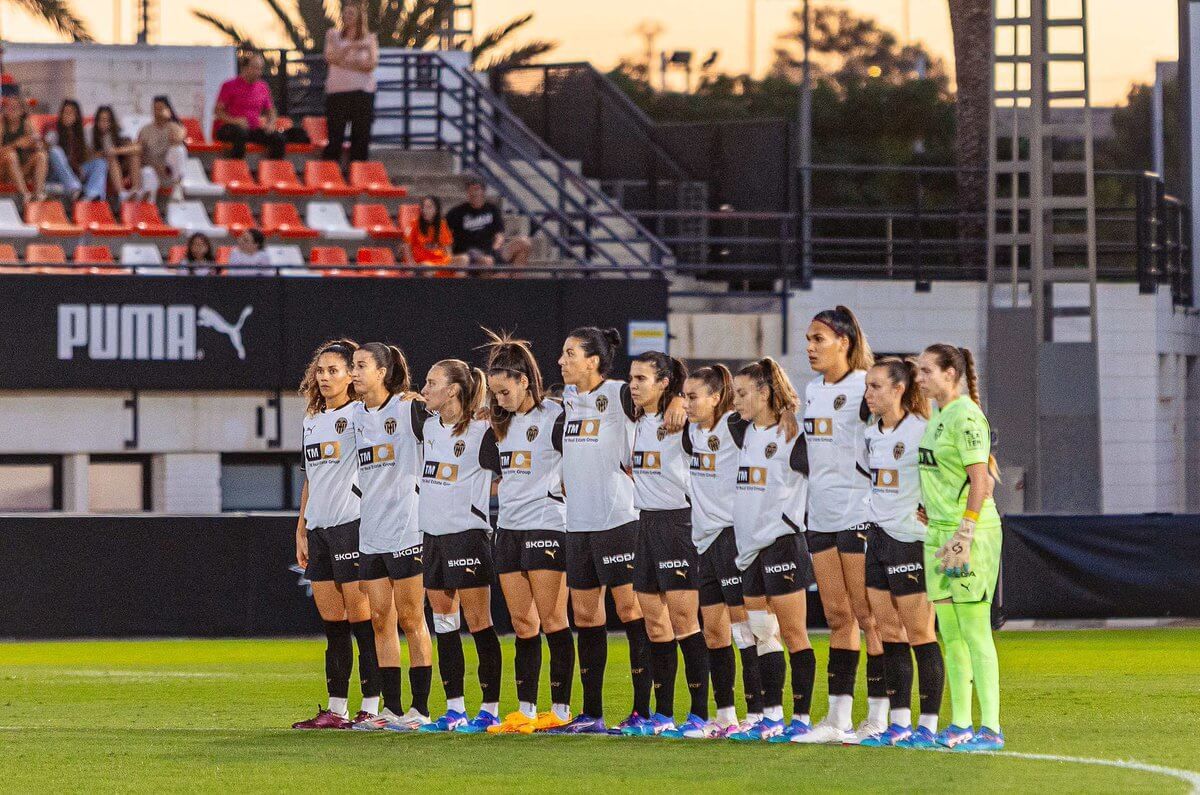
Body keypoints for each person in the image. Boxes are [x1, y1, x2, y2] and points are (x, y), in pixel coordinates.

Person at [547, 327, 684, 735]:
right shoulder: (570, 399)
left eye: (570, 353)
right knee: (586, 616)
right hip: (579, 524)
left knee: (631, 612)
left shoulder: (623, 392)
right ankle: (591, 713)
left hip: (620, 521)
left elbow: (665, 389)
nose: (561, 360)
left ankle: (644, 711)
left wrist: (677, 398)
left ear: (593, 361)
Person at [795, 305, 887, 745]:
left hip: (858, 513)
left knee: (870, 616)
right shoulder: (812, 390)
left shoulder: (864, 388)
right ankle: (837, 719)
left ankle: (882, 715)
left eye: (818, 339)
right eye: (809, 339)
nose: (810, 347)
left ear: (844, 343)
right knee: (837, 616)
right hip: (822, 516)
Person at [479, 330, 575, 735]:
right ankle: (526, 709)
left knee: (553, 618)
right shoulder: (499, 426)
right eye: (494, 393)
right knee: (522, 623)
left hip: (548, 525)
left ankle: (562, 710)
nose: (499, 400)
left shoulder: (556, 416)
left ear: (523, 381)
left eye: (504, 391)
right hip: (510, 529)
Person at [914, 344, 1005, 752]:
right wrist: (930, 510)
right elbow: (948, 475)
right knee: (949, 633)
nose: (919, 378)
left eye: (926, 371)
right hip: (940, 533)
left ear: (950, 373)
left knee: (975, 630)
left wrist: (964, 535)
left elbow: (981, 480)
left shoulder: (966, 415)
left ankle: (991, 728)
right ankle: (961, 724)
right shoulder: (939, 416)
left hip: (968, 536)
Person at [722, 358, 816, 743]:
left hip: (782, 544)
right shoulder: (742, 430)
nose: (737, 401)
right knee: (762, 632)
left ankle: (803, 717)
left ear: (764, 392)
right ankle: (772, 716)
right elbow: (723, 417)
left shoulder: (793, 436)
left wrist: (791, 414)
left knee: (794, 633)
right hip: (749, 549)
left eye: (744, 394)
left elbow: (823, 473)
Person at [292, 339, 382, 730]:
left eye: (334, 370)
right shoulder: (311, 420)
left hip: (352, 526)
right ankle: (336, 709)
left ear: (351, 375)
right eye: (321, 370)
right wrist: (301, 528)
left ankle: (373, 707)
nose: (325, 377)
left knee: (363, 621)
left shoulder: (361, 416)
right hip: (319, 528)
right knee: (333, 624)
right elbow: (310, 479)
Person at [857, 357, 946, 748]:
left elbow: (947, 477)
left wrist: (937, 513)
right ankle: (899, 723)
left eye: (876, 386)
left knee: (920, 633)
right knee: (888, 632)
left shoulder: (922, 432)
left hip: (909, 540)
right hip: (876, 540)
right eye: (867, 386)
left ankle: (927, 724)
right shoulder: (871, 433)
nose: (868, 394)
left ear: (898, 389)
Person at [623, 352, 711, 738]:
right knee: (655, 624)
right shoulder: (637, 421)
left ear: (664, 383)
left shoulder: (683, 419)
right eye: (631, 378)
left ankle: (699, 714)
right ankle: (661, 714)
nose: (633, 384)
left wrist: (681, 402)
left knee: (683, 622)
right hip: (645, 524)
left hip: (678, 523)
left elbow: (715, 415)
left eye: (642, 378)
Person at [347, 343, 435, 732]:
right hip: (372, 533)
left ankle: (420, 709)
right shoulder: (354, 417)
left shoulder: (407, 409)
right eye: (353, 366)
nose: (354, 373)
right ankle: (393, 709)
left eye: (361, 366)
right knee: (381, 619)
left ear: (383, 372)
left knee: (413, 618)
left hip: (406, 529)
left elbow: (449, 428)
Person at [415, 359, 505, 734]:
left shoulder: (484, 428)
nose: (425, 388)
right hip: (432, 536)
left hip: (468, 533)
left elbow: (510, 472)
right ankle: (454, 709)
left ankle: (490, 709)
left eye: (432, 382)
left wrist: (478, 494)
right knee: (444, 623)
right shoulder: (429, 426)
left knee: (480, 623)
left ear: (453, 389)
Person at [681, 365, 764, 738]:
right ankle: (726, 714)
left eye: (693, 396)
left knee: (747, 630)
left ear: (716, 397)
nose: (686, 403)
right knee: (715, 634)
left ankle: (761, 715)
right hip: (705, 541)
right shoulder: (689, 430)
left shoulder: (734, 427)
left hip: (733, 538)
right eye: (683, 396)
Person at [322, 0, 378, 164]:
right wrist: (352, 48)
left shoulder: (369, 39)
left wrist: (345, 62)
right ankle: (330, 173)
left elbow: (370, 65)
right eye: (345, 13)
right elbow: (330, 57)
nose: (347, 17)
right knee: (335, 135)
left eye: (351, 13)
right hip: (337, 93)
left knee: (360, 136)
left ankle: (358, 172)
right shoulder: (333, 34)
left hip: (362, 93)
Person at [445, 176, 532, 269]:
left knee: (524, 243)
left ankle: (516, 281)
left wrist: (495, 249)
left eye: (477, 189)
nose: (474, 193)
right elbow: (444, 236)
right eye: (470, 190)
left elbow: (499, 234)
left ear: (483, 191)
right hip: (469, 254)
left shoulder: (492, 209)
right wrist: (449, 256)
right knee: (487, 262)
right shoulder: (456, 212)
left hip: (491, 251)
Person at [213, 52, 286, 160]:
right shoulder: (229, 85)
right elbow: (218, 111)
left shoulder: (263, 87)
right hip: (230, 128)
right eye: (255, 68)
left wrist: (270, 124)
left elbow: (271, 110)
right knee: (240, 134)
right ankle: (236, 168)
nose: (258, 72)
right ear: (244, 68)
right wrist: (235, 121)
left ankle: (273, 170)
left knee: (278, 138)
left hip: (251, 129)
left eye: (260, 69)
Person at [44, 99, 107, 203]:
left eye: (71, 113)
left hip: (75, 172)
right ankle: (74, 188)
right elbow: (47, 149)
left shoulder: (80, 133)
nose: (67, 115)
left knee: (100, 163)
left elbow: (85, 156)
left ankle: (92, 195)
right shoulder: (53, 129)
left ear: (77, 116)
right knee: (56, 151)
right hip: (56, 175)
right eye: (65, 112)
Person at [137, 96, 188, 202]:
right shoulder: (145, 130)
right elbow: (140, 152)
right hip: (152, 167)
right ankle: (150, 206)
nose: (158, 112)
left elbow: (179, 138)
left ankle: (177, 186)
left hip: (169, 169)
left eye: (161, 108)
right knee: (147, 172)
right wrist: (155, 165)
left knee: (179, 150)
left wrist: (170, 119)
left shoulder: (174, 127)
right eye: (156, 108)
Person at [91, 106, 146, 202]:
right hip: (105, 169)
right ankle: (122, 194)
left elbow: (137, 148)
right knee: (111, 158)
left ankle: (136, 191)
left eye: (107, 120)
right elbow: (91, 155)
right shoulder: (92, 133)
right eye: (101, 120)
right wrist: (105, 153)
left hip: (123, 167)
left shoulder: (120, 132)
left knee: (134, 156)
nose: (104, 124)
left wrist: (116, 150)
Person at [0, 96, 48, 206]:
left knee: (41, 156)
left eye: (14, 108)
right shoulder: (1, 124)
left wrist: (37, 144)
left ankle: (38, 194)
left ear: (22, 111)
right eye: (8, 107)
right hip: (3, 170)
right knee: (11, 155)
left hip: (20, 170)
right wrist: (16, 144)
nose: (10, 110)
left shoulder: (27, 124)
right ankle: (25, 195)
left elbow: (41, 146)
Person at [403, 195, 467, 273]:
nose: (425, 210)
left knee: (463, 259)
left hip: (440, 262)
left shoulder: (442, 224)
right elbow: (406, 246)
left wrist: (449, 262)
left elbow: (447, 247)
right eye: (423, 207)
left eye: (429, 207)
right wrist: (411, 265)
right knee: (428, 267)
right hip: (423, 263)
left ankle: (457, 285)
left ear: (436, 210)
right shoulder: (414, 224)